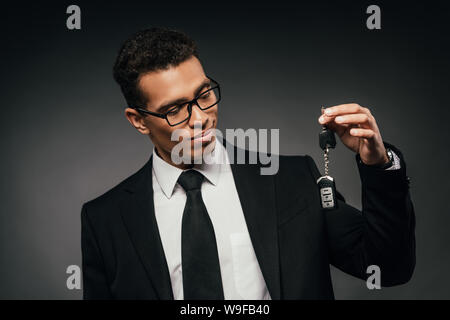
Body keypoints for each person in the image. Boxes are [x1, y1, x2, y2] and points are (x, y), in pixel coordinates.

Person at [81, 27, 415, 300]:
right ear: (138, 120)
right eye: (174, 110)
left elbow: (387, 266)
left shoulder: (292, 181)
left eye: (205, 94)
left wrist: (378, 164)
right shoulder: (105, 220)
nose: (199, 118)